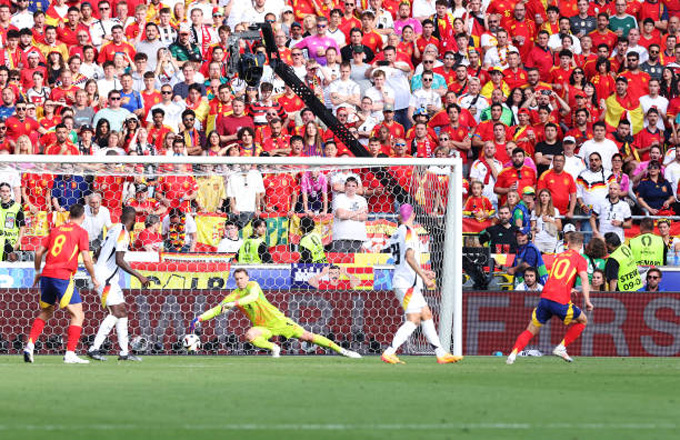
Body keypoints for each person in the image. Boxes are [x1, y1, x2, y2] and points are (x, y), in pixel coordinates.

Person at [189, 268, 361, 358]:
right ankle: (274, 348)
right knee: (250, 335)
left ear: (247, 278)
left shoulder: (253, 286)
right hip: (263, 327)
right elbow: (218, 308)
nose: (240, 281)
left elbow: (253, 297)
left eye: (242, 278)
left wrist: (234, 304)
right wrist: (200, 318)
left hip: (279, 321)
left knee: (307, 337)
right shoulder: (234, 294)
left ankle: (343, 351)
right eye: (237, 279)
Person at [381, 204, 462, 365]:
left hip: (405, 280)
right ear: (414, 215)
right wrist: (424, 278)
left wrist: (424, 273)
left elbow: (404, 259)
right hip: (407, 283)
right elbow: (409, 257)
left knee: (426, 314)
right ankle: (389, 352)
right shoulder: (410, 232)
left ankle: (441, 353)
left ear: (399, 216)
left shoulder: (397, 233)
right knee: (414, 319)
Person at [24, 204, 100, 364]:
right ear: (83, 216)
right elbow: (87, 258)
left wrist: (37, 272)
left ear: (68, 215)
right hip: (62, 276)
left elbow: (38, 252)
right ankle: (70, 354)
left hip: (46, 275)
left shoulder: (56, 230)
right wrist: (93, 277)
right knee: (78, 314)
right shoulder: (81, 232)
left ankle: (29, 345)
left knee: (46, 311)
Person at [507, 232, 593, 365]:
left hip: (545, 298)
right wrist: (587, 300)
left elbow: (557, 277)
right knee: (582, 320)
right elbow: (584, 279)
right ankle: (561, 347)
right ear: (581, 246)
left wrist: (568, 288)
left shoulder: (558, 256)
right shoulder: (580, 259)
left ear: (568, 244)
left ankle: (512, 355)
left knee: (531, 329)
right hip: (560, 300)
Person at [86, 207, 150, 362]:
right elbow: (119, 260)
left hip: (106, 275)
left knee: (122, 311)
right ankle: (94, 348)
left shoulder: (114, 229)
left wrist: (97, 264)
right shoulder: (123, 234)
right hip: (106, 277)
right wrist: (140, 276)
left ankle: (124, 352)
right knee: (115, 311)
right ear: (133, 220)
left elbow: (99, 250)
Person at [330, 176, 368, 253]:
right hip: (341, 237)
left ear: (357, 188)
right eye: (348, 185)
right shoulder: (338, 198)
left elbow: (363, 217)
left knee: (356, 264)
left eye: (353, 186)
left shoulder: (362, 200)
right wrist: (358, 212)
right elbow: (340, 215)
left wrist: (347, 214)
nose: (351, 188)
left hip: (358, 237)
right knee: (338, 264)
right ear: (345, 187)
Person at [0, 182, 25, 261]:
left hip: (12, 241)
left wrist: (18, 242)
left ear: (10, 192)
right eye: (3, 191)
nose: (5, 193)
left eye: (7, 191)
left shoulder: (17, 207)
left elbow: (22, 226)